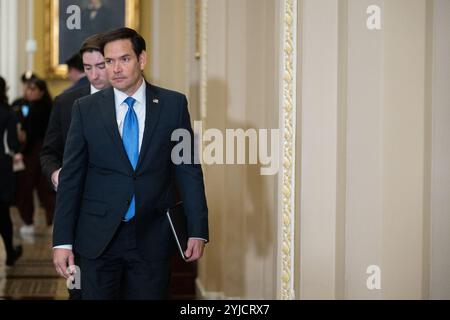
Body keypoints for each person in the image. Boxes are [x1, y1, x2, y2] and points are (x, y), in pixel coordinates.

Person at [52, 27, 209, 300]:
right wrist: (62, 241)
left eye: (124, 59)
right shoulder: (85, 109)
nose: (115, 69)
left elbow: (188, 171)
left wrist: (197, 230)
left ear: (142, 60)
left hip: (152, 237)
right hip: (97, 240)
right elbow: (72, 179)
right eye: (109, 61)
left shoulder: (173, 105)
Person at [40, 33, 110, 300]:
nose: (94, 76)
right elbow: (48, 153)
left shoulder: (133, 101)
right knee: (80, 291)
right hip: (81, 216)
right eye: (88, 68)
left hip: (126, 219)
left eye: (100, 66)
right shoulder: (66, 102)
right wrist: (56, 173)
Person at [15, 77, 55, 235]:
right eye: (27, 88)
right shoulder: (22, 104)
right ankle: (28, 222)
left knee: (46, 189)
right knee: (26, 188)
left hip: (39, 151)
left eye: (33, 89)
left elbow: (32, 133)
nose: (29, 92)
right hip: (30, 151)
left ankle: (51, 221)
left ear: (41, 92)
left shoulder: (47, 107)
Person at [0, 76, 23, 266]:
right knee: (3, 213)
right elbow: (13, 143)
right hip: (1, 166)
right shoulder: (8, 112)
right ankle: (9, 253)